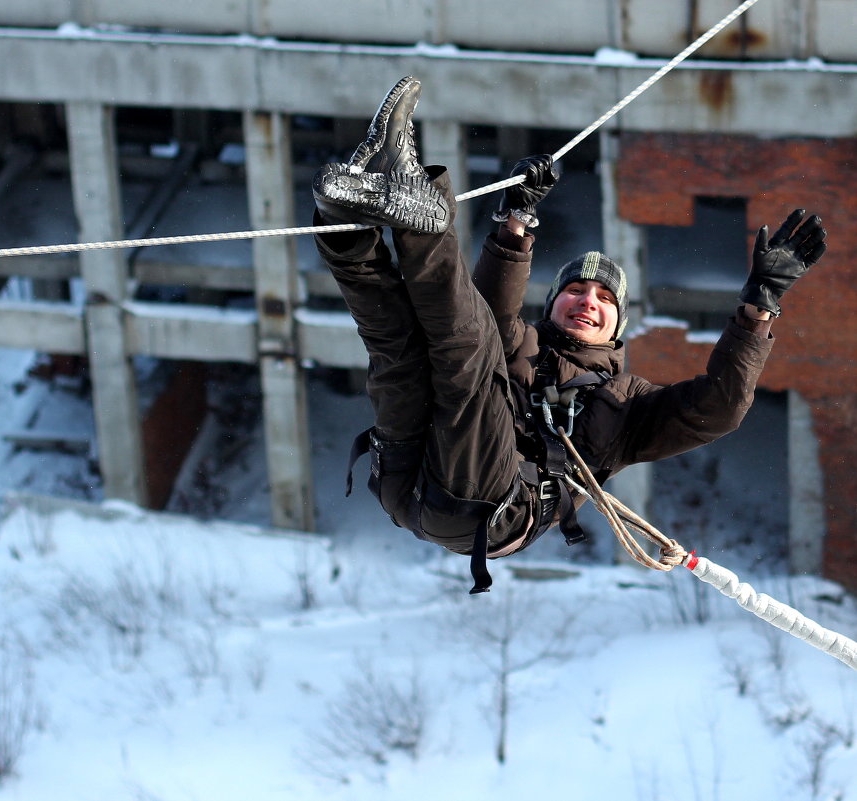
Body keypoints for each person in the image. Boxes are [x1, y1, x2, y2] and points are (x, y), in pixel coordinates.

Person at [312, 76, 827, 593]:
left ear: (618, 326)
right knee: (402, 348)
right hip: (407, 477)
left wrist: (759, 309)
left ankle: (419, 216)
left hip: (491, 509)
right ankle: (346, 226)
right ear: (554, 303)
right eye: (576, 290)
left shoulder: (628, 407)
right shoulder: (523, 343)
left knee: (471, 353)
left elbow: (721, 408)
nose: (588, 302)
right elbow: (476, 313)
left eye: (604, 299)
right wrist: (516, 219)